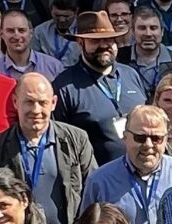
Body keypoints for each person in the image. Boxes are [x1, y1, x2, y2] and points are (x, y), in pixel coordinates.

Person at [0, 72, 100, 224]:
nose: (36, 110)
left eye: (42, 102)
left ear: (53, 103)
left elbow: (93, 190)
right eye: (29, 102)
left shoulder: (77, 139)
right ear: (15, 102)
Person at [52, 15, 149, 159]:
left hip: (140, 167)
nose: (103, 45)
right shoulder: (65, 87)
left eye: (109, 39)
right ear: (80, 43)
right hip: (94, 171)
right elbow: (61, 144)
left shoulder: (130, 74)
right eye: (95, 40)